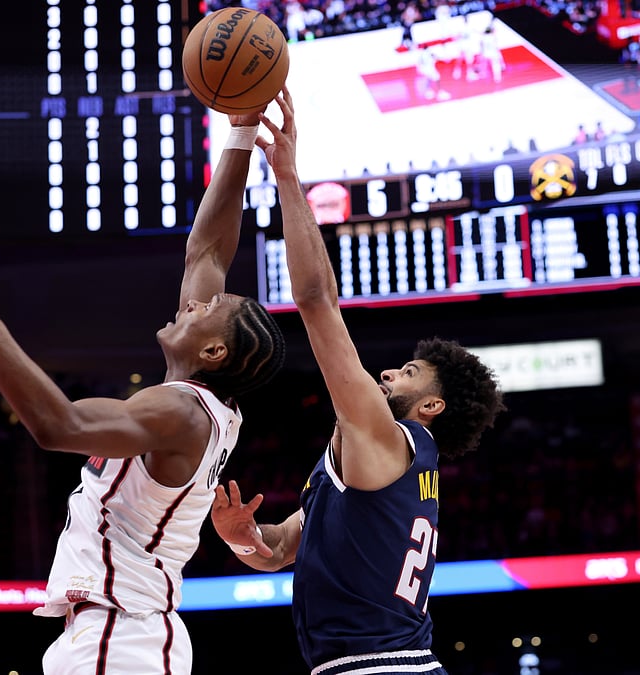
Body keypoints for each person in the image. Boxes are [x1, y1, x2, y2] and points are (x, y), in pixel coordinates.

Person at [0, 108, 286, 675]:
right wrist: (242, 130)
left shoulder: (178, 410)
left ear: (214, 353)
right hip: (124, 634)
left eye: (207, 310)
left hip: (118, 636)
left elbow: (59, 427)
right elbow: (208, 253)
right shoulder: (201, 404)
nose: (195, 302)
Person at [210, 88, 506, 675]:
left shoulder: (387, 439)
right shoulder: (384, 466)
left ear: (432, 405)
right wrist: (241, 536)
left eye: (410, 373)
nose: (390, 372)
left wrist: (288, 177)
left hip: (377, 667)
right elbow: (280, 551)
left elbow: (316, 301)